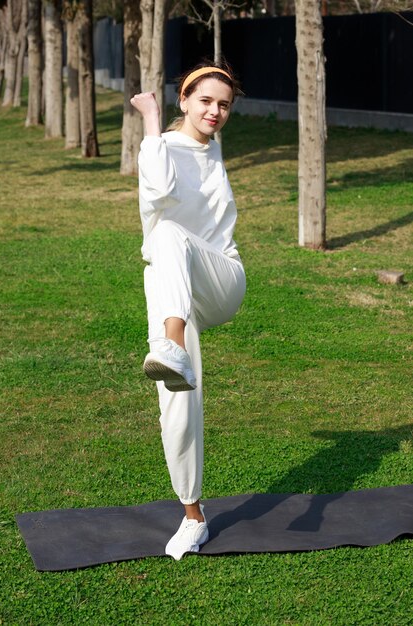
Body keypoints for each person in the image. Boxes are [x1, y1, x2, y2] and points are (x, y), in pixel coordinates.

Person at [131, 61, 246, 560]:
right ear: (185, 100)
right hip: (173, 281)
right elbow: (157, 191)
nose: (215, 111)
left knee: (168, 236)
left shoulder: (209, 144)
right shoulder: (160, 150)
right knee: (175, 401)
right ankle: (192, 515)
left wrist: (156, 118)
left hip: (220, 278)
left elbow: (173, 204)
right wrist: (154, 124)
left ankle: (171, 342)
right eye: (205, 101)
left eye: (223, 104)